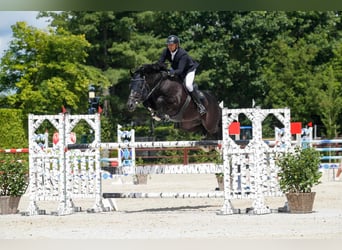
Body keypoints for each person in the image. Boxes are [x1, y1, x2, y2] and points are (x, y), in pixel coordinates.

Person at [158, 35, 206, 115]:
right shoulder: (166, 51)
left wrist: (169, 72)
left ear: (176, 45)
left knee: (188, 85)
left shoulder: (182, 54)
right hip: (176, 68)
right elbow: (160, 62)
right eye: (168, 45)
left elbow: (180, 71)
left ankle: (200, 105)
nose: (169, 46)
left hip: (188, 70)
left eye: (171, 45)